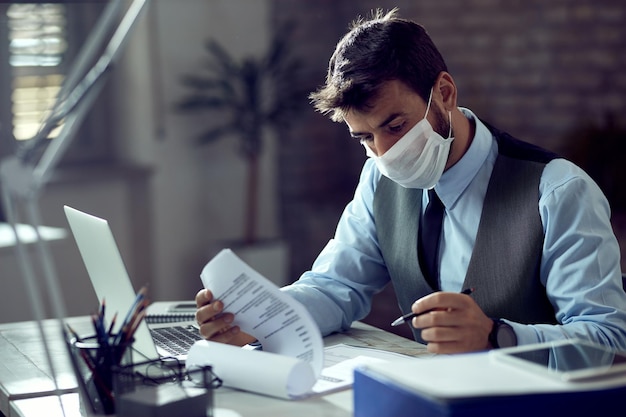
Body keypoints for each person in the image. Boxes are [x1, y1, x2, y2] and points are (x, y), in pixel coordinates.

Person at [195, 9, 626, 354]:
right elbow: (336, 286)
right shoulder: (377, 181)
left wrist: (498, 335)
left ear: (445, 93)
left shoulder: (559, 191)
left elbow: (610, 340)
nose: (384, 153)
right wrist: (260, 320)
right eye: (364, 137)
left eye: (396, 126)